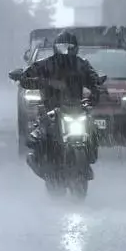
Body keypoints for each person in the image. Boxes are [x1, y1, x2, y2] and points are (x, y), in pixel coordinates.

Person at [14, 31, 104, 165]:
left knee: (93, 128)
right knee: (39, 134)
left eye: (69, 47)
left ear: (75, 48)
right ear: (56, 47)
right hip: (51, 108)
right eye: (62, 47)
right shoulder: (45, 64)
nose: (66, 51)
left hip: (75, 107)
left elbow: (93, 80)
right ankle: (42, 160)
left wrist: (97, 89)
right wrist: (24, 77)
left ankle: (89, 154)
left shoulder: (82, 64)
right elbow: (27, 75)